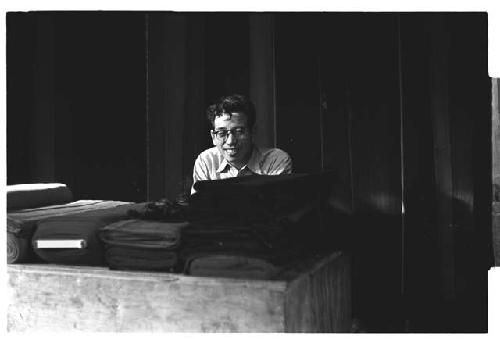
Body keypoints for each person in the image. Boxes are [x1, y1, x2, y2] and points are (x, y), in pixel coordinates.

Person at [191, 94, 292, 194]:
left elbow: (276, 207)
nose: (230, 141)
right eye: (222, 133)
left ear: (252, 132)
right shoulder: (207, 161)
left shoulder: (275, 161)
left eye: (239, 131)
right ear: (213, 137)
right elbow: (199, 208)